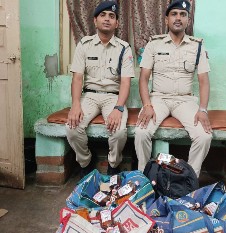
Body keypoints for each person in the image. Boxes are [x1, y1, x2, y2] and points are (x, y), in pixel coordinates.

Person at [135, 0, 212, 178]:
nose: (178, 18)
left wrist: (202, 109)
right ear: (166, 19)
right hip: (158, 99)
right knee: (141, 132)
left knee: (204, 136)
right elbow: (143, 78)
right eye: (174, 14)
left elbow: (204, 81)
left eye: (183, 15)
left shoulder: (197, 45)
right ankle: (143, 178)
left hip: (185, 100)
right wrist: (147, 105)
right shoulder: (154, 44)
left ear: (188, 20)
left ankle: (189, 180)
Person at [66, 1, 135, 178]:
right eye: (103, 15)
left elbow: (126, 82)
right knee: (72, 128)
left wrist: (119, 108)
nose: (107, 19)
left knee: (119, 130)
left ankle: (113, 164)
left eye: (112, 16)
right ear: (95, 21)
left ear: (117, 23)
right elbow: (77, 78)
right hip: (89, 96)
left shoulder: (123, 48)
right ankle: (86, 162)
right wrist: (75, 104)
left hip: (113, 97)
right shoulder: (84, 44)